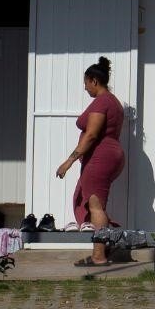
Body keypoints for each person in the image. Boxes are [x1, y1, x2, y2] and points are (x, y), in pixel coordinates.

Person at [55, 56, 126, 267]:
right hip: (110, 155)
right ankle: (105, 246)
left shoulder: (102, 102)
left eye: (86, 83)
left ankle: (99, 256)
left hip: (100, 157)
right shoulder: (114, 102)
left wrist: (68, 162)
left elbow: (92, 135)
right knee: (94, 204)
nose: (85, 88)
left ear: (94, 80)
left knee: (95, 205)